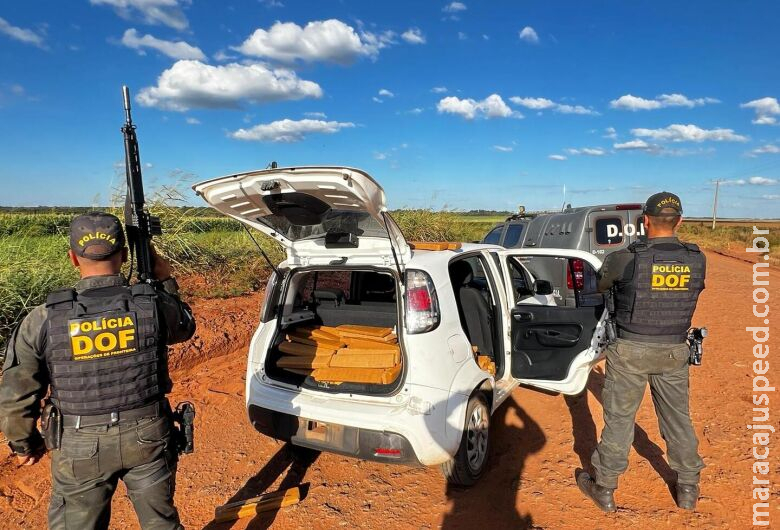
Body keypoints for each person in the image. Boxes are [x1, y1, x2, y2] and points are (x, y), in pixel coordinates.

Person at [0, 212, 196, 529]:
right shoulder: (153, 304)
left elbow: (15, 394)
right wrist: (164, 280)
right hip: (148, 432)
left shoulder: (44, 318)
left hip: (78, 443)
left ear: (73, 259)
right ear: (124, 255)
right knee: (162, 523)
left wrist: (24, 443)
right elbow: (185, 327)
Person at [577, 192, 706, 512]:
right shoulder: (696, 257)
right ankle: (688, 488)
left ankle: (604, 488)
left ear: (644, 221)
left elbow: (600, 287)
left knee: (619, 420)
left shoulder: (625, 257)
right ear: (680, 221)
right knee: (677, 419)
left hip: (631, 349)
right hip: (675, 350)